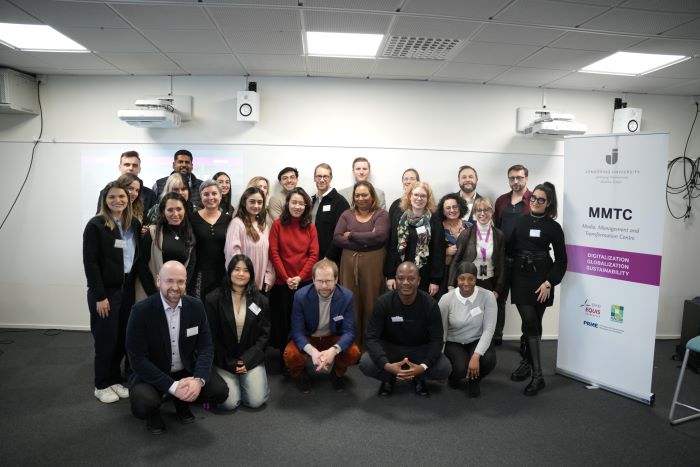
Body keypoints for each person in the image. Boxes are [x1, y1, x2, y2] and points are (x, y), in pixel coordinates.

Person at [126, 261, 228, 434]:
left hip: (185, 371)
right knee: (144, 404)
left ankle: (182, 401)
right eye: (169, 281)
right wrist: (172, 387)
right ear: (158, 281)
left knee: (219, 391)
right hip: (153, 373)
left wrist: (198, 380)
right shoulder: (140, 311)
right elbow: (137, 360)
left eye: (180, 281)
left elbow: (206, 347)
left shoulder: (196, 306)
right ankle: (156, 411)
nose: (175, 287)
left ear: (186, 282)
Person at [83, 181, 140, 403]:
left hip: (126, 290)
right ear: (105, 200)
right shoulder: (96, 225)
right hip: (105, 292)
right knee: (105, 339)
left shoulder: (133, 223)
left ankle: (115, 380)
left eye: (122, 197)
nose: (118, 201)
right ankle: (101, 384)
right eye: (112, 197)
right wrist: (100, 296)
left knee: (121, 338)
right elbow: (91, 263)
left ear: (129, 200)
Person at [508, 182, 567, 396]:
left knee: (535, 323)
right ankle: (538, 375)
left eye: (541, 199)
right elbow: (510, 249)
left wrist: (550, 282)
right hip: (521, 277)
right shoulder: (520, 221)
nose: (535, 202)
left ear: (548, 203)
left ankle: (526, 362)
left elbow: (561, 261)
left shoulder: (554, 227)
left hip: (542, 280)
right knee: (529, 321)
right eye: (533, 198)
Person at [359, 262, 451, 398]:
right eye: (401, 278)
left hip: (419, 349)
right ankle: (388, 378)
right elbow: (371, 337)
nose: (406, 282)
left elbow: (437, 340)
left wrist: (423, 367)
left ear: (419, 281)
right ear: (396, 279)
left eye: (411, 278)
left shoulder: (430, 305)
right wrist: (386, 365)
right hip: (391, 349)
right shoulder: (383, 303)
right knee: (366, 363)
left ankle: (419, 378)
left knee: (444, 368)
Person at [283, 259, 362, 393]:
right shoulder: (301, 296)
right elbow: (297, 332)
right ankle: (299, 374)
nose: (324, 286)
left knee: (354, 352)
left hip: (332, 336)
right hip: (310, 337)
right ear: (313, 279)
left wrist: (333, 350)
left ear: (336, 279)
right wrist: (313, 352)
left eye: (328, 281)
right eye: (320, 281)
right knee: (290, 355)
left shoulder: (346, 296)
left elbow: (349, 332)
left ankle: (337, 374)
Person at [205, 255, 270, 411]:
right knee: (229, 403)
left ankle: (246, 380)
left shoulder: (261, 300)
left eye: (246, 270)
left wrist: (246, 360)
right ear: (229, 272)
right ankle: (238, 380)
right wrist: (231, 363)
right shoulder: (213, 299)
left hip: (250, 358)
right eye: (237, 269)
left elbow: (265, 335)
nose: (241, 274)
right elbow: (211, 337)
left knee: (256, 401)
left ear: (251, 274)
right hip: (224, 359)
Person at [333, 181, 390, 346]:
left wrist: (351, 235)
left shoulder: (382, 214)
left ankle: (369, 346)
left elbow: (380, 237)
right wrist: (366, 239)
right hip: (349, 265)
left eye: (365, 194)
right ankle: (351, 345)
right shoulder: (346, 214)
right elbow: (337, 238)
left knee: (372, 304)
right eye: (357, 195)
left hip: (374, 265)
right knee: (350, 303)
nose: (361, 198)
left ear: (372, 195)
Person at [269, 187, 319, 372]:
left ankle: (301, 357)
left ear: (306, 206)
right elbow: (274, 253)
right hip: (282, 284)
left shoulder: (311, 227)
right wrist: (286, 277)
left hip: (304, 284)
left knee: (302, 322)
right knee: (283, 323)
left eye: (301, 203)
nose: (297, 206)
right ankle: (285, 359)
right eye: (294, 202)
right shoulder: (277, 225)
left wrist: (299, 277)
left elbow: (314, 255)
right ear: (287, 204)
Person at [439, 261, 497, 398]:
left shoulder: (488, 296)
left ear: (476, 279)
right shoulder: (446, 299)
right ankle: (454, 377)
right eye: (461, 278)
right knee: (459, 368)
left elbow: (489, 329)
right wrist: (439, 356)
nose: (466, 283)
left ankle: (474, 379)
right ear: (456, 279)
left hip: (477, 339)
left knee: (488, 360)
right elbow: (441, 330)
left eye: (471, 279)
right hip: (454, 341)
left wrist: (476, 356)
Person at [492, 164, 532, 347]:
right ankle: (496, 336)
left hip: (524, 260)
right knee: (498, 298)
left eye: (519, 177)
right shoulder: (501, 201)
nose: (515, 181)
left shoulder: (534, 200)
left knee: (525, 302)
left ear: (526, 178)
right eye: (512, 178)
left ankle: (526, 338)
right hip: (502, 258)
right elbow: (496, 229)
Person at [385, 181, 444, 296]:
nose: (419, 198)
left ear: (428, 199)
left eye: (423, 196)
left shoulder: (434, 220)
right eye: (416, 195)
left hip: (424, 275)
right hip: (401, 274)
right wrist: (390, 275)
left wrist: (435, 280)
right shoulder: (399, 218)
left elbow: (438, 252)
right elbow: (392, 246)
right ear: (409, 197)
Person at [137, 192, 196, 301]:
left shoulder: (189, 235)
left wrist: (178, 290)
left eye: (179, 209)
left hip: (178, 295)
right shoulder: (153, 233)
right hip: (152, 294)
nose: (175, 213)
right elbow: (141, 265)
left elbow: (190, 267)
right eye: (170, 210)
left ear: (185, 210)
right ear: (163, 212)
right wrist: (154, 294)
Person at [447, 197, 505, 305]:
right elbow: (456, 260)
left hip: (489, 283)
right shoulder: (466, 234)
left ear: (491, 212)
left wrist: (497, 290)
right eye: (479, 210)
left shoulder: (499, 235)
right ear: (474, 213)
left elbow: (501, 264)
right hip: (468, 283)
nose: (482, 213)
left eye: (486, 210)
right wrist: (451, 285)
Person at [224, 187, 275, 292]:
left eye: (259, 202)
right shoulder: (237, 224)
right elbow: (232, 255)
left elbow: (269, 253)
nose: (256, 206)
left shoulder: (263, 225)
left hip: (261, 284)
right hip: (242, 284)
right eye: (252, 201)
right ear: (244, 202)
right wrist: (241, 277)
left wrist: (269, 276)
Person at [189, 180, 232, 299]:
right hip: (199, 274)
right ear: (201, 196)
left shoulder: (228, 219)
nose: (210, 197)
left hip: (223, 273)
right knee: (200, 310)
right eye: (206, 194)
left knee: (219, 310)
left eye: (214, 193)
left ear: (220, 195)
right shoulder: (192, 218)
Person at [311, 163, 349, 265]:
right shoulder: (311, 200)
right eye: (319, 176)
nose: (322, 180)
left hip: (330, 259)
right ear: (314, 178)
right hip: (311, 257)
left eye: (326, 176)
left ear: (331, 178)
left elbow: (341, 234)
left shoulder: (340, 202)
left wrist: (329, 257)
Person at [435, 193, 469, 297]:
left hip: (464, 272)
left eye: (455, 207)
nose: (452, 210)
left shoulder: (469, 226)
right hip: (444, 272)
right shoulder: (437, 227)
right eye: (448, 208)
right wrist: (445, 252)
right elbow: (430, 250)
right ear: (443, 211)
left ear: (460, 207)